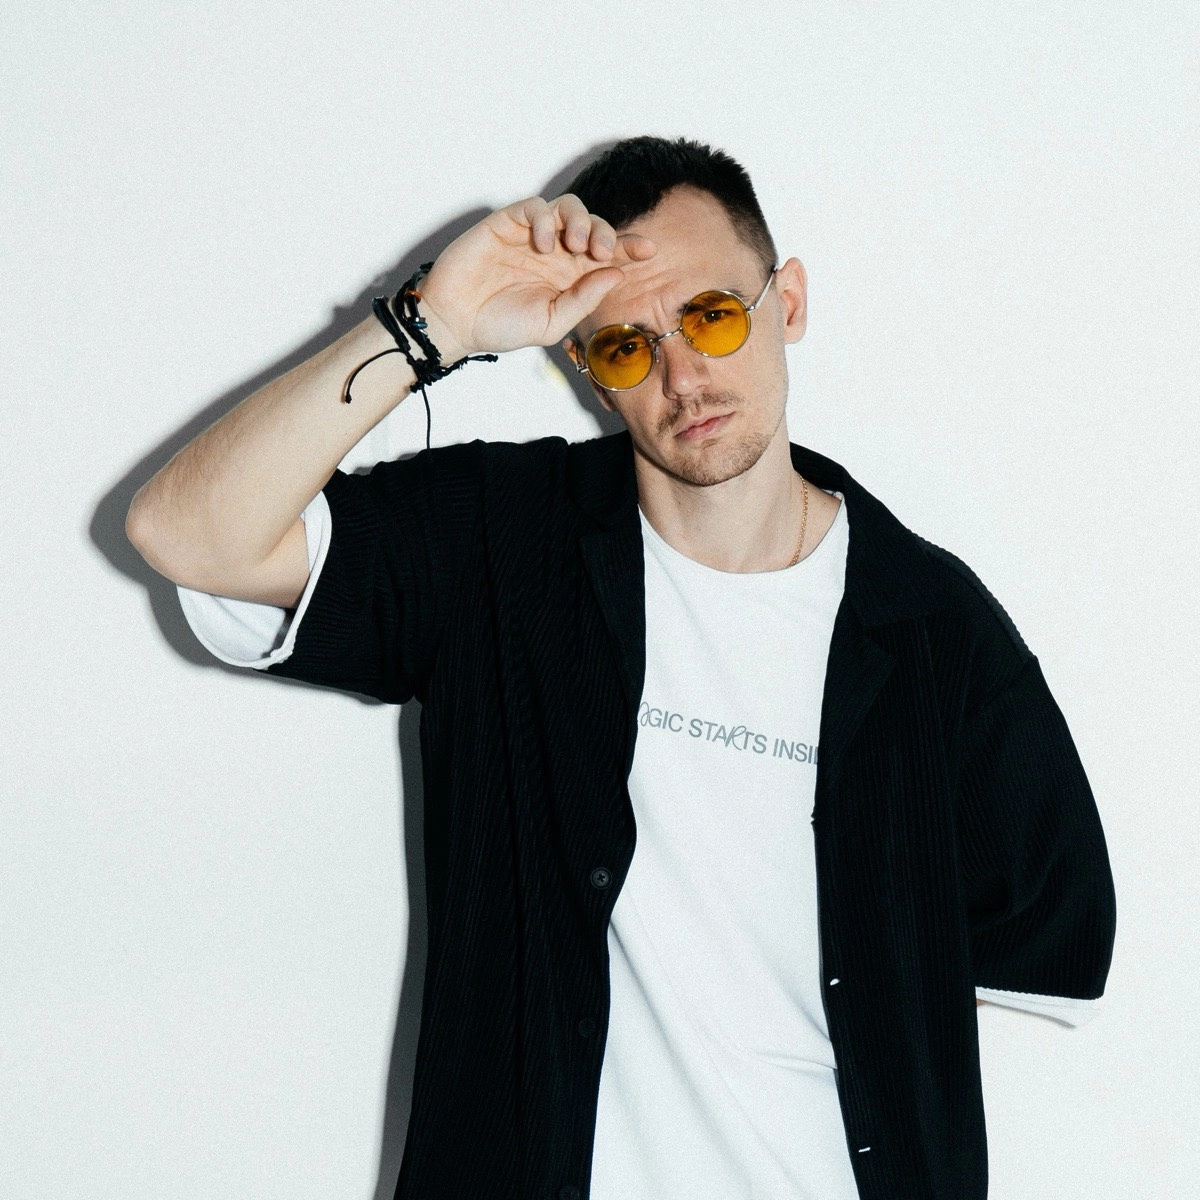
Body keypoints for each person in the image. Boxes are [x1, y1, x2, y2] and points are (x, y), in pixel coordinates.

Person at [126, 136, 1116, 1200]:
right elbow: (190, 536)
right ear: (587, 373)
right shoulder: (501, 547)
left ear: (787, 302)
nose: (684, 377)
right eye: (627, 348)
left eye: (712, 316)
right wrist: (431, 325)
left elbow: (1040, 940)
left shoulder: (934, 631)